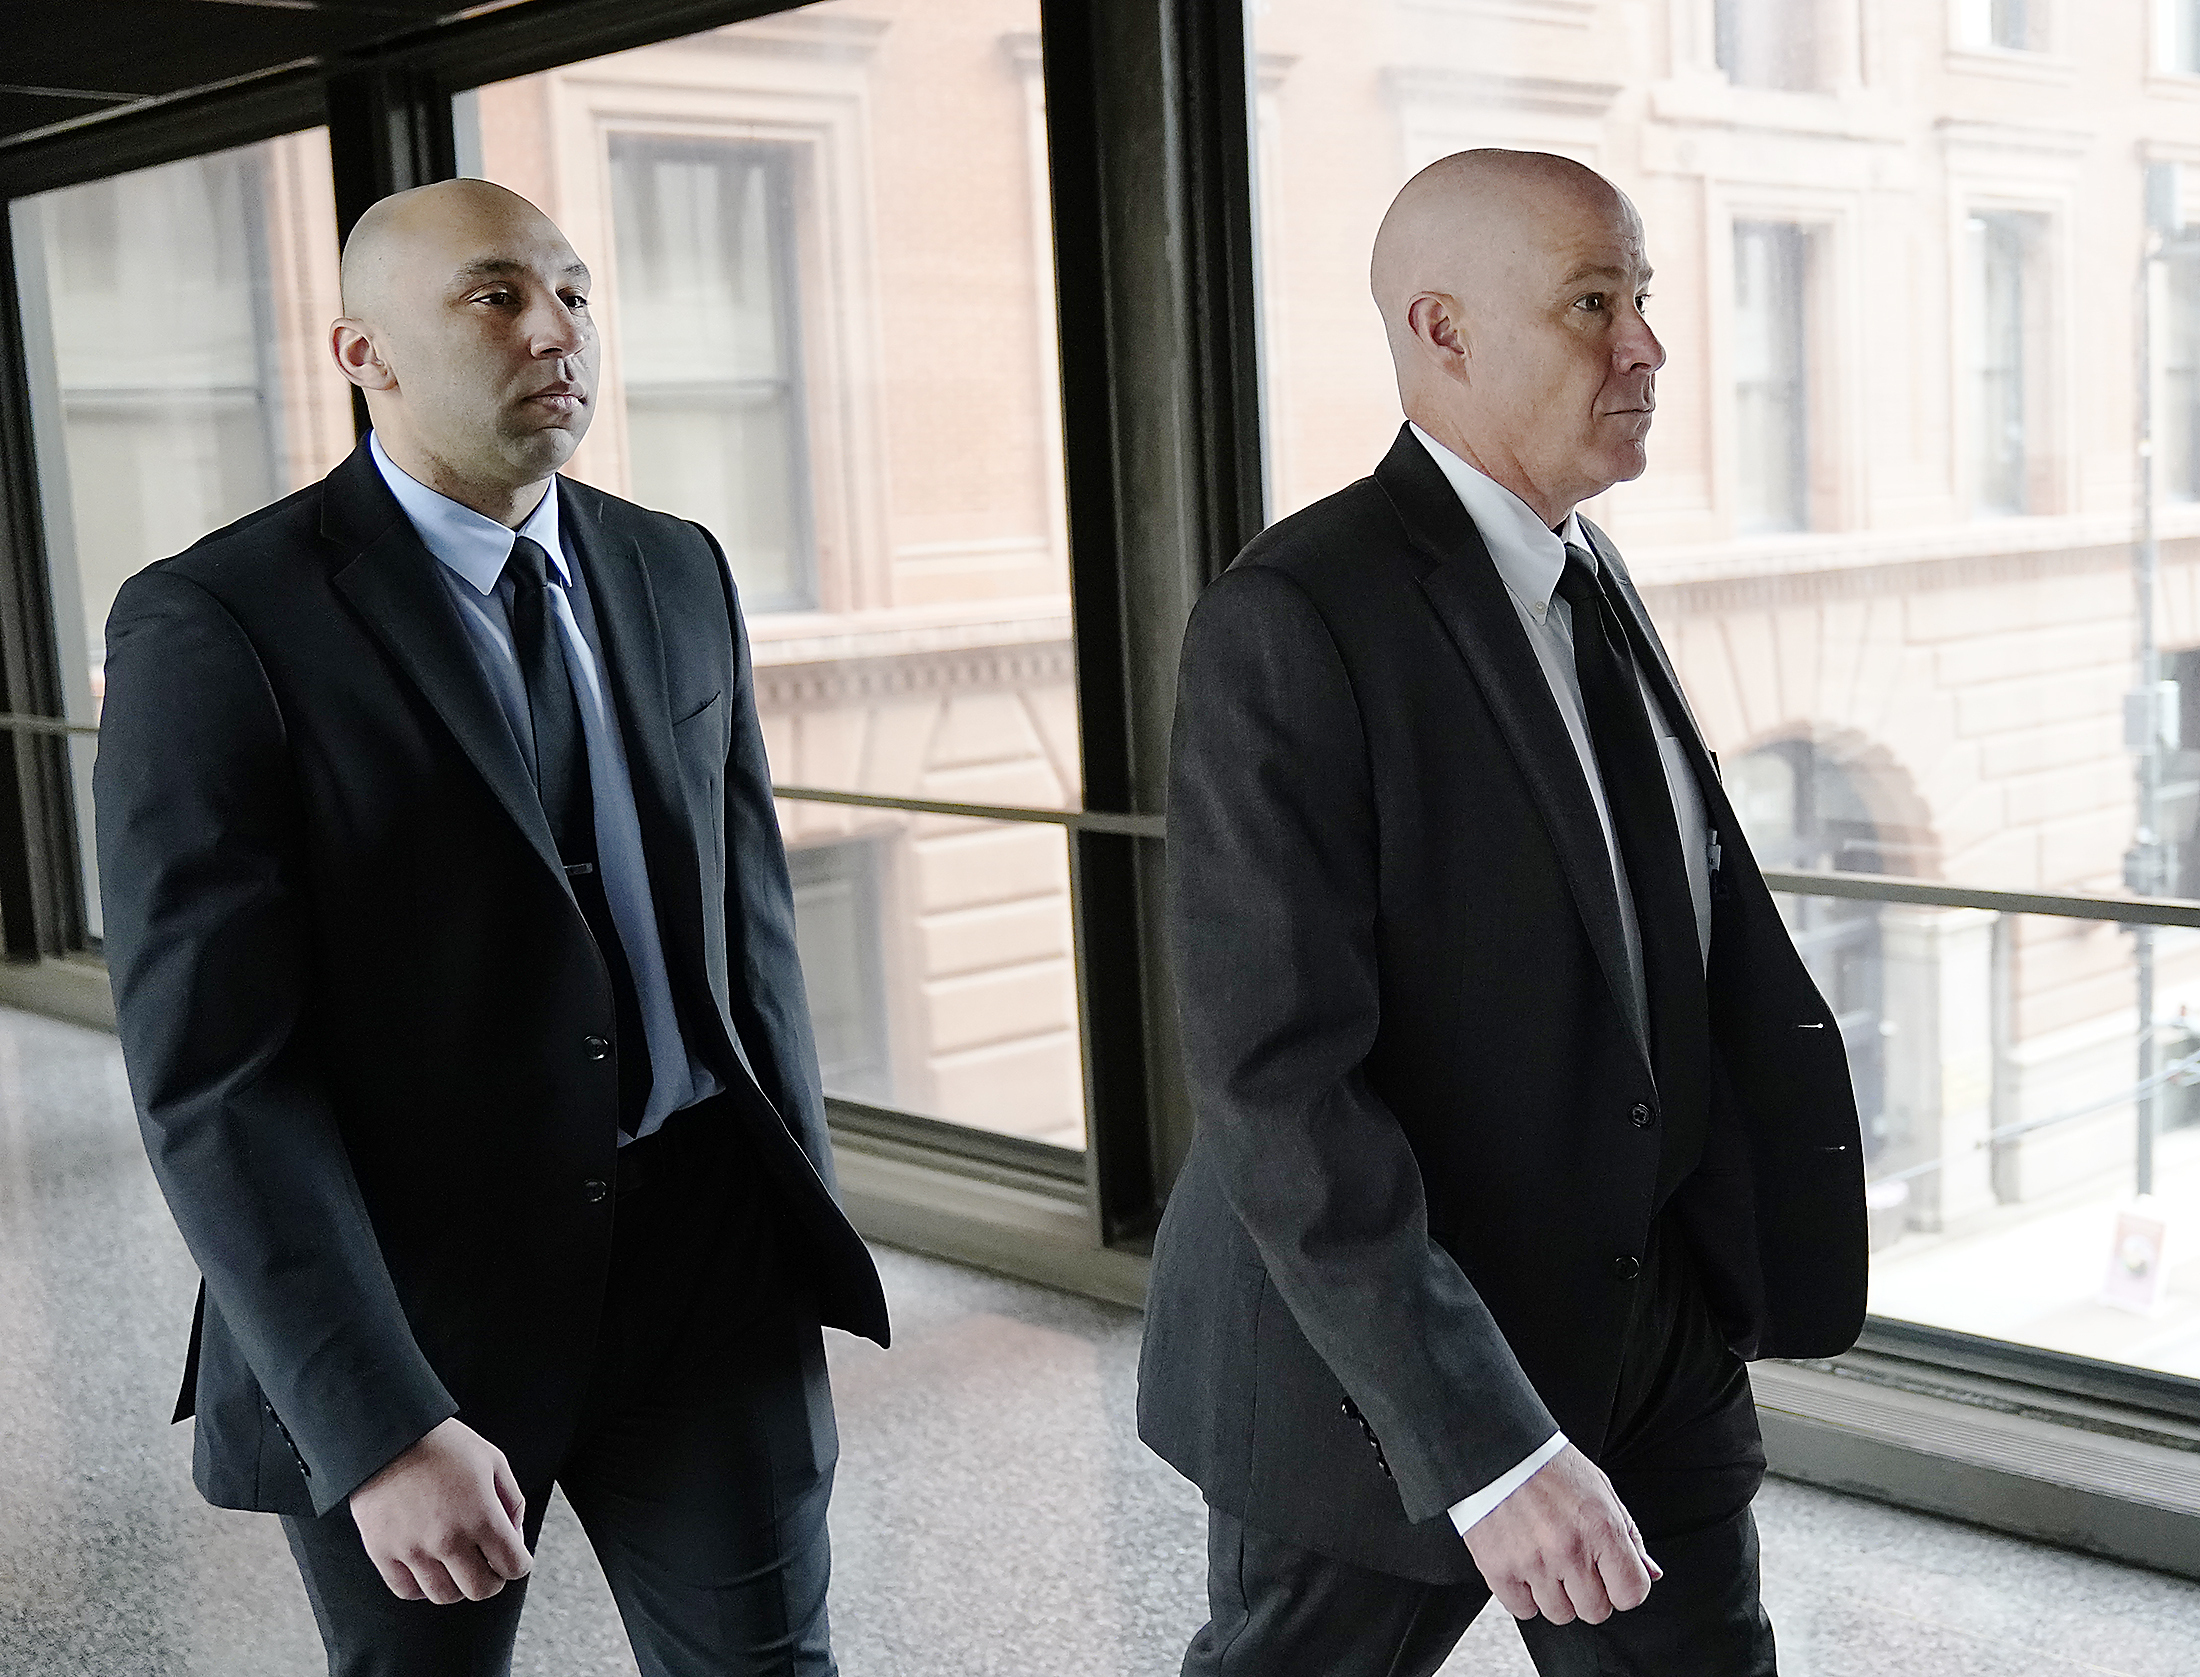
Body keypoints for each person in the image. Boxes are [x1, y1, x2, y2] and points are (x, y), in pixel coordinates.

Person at [95, 177, 887, 1677]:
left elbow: (752, 936)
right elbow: (215, 1073)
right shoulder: (218, 621)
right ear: (364, 353)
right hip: (414, 1300)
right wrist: (375, 1421)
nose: (555, 330)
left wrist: (792, 1233)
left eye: (574, 292)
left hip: (707, 1267)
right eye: (495, 295)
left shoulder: (676, 565)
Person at [1137, 148, 1867, 1675]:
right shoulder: (1296, 615)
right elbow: (1278, 1083)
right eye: (1593, 303)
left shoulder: (1589, 571)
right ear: (1444, 330)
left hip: (1649, 1326)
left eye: (1643, 296)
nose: (1647, 346)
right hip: (1384, 1365)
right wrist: (1483, 1439)